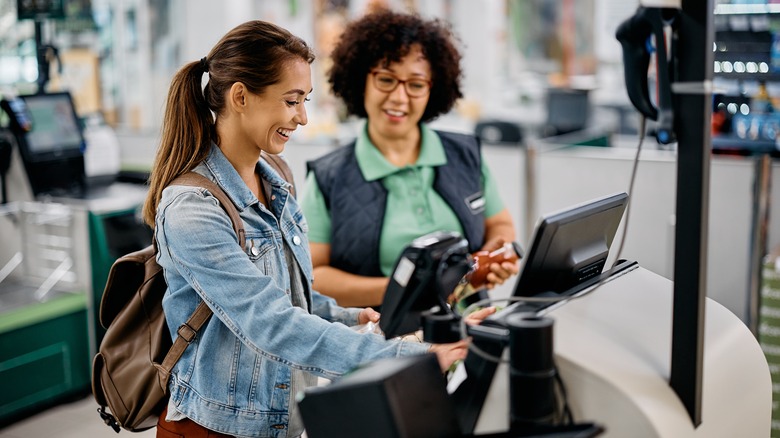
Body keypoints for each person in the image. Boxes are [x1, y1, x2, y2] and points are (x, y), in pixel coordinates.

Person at [142, 20, 491, 438]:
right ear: (240, 96)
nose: (303, 117)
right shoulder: (191, 209)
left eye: (304, 100)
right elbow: (269, 321)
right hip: (215, 428)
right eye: (291, 101)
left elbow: (288, 295)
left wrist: (345, 316)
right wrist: (401, 353)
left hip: (284, 422)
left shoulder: (277, 177)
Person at [301, 9, 519, 308]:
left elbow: (501, 226)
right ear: (360, 79)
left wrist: (494, 256)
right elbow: (313, 276)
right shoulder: (329, 178)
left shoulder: (465, 155)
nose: (400, 98)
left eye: (416, 84)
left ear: (434, 88)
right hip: (383, 343)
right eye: (386, 79)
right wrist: (407, 288)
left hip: (472, 332)